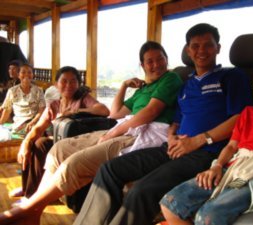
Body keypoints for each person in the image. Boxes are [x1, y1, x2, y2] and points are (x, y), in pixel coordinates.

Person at [72, 23, 253, 225]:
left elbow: (241, 118)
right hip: (172, 147)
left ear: (218, 48)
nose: (201, 51)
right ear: (187, 50)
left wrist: (198, 141)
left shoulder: (232, 77)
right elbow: (176, 121)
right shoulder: (187, 84)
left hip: (207, 153)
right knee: (109, 169)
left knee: (142, 190)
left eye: (208, 45)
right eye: (195, 46)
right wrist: (171, 137)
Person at [0, 41, 183, 225]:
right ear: (142, 65)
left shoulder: (171, 78)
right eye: (149, 61)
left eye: (160, 59)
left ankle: (28, 210)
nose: (156, 64)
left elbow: (149, 112)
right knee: (59, 149)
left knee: (74, 163)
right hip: (125, 127)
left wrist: (112, 133)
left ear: (167, 59)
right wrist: (124, 86)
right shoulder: (143, 89)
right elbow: (115, 113)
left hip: (145, 133)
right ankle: (35, 209)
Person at [160, 58, 253, 225]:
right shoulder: (248, 113)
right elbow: (232, 146)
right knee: (171, 202)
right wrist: (217, 166)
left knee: (208, 216)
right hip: (234, 168)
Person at [8, 65, 109, 200]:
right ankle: (28, 187)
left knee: (41, 144)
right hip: (58, 143)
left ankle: (32, 197)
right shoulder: (54, 105)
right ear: (56, 84)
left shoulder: (83, 99)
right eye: (64, 81)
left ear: (78, 84)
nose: (69, 85)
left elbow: (104, 110)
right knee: (32, 142)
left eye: (73, 81)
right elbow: (38, 128)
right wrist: (25, 143)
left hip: (76, 146)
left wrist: (76, 111)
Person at [0, 63, 45, 133]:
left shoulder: (38, 90)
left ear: (33, 75)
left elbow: (41, 110)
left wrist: (33, 122)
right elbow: (7, 110)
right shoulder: (12, 91)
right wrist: (0, 124)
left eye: (29, 72)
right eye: (23, 72)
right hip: (19, 124)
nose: (26, 75)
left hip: (34, 123)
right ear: (18, 75)